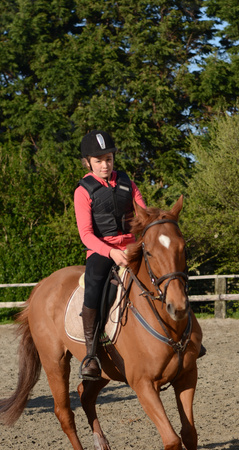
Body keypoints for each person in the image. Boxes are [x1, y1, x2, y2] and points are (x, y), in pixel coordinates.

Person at [74, 130, 146, 380]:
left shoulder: (128, 183)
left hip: (133, 247)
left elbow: (143, 216)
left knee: (170, 270)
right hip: (102, 250)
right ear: (88, 162)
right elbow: (85, 234)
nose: (105, 165)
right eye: (98, 161)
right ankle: (91, 354)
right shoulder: (83, 191)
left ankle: (186, 333)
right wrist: (112, 253)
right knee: (93, 286)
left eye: (109, 159)